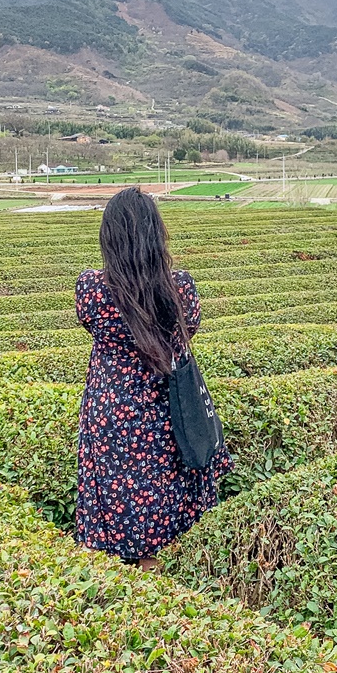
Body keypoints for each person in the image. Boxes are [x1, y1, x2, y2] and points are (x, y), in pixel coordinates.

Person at [74, 187, 231, 570]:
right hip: (168, 407)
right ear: (156, 235)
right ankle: (171, 570)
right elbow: (188, 329)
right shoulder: (180, 288)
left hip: (112, 411)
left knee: (116, 494)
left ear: (109, 239)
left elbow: (91, 325)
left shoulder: (91, 290)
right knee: (170, 488)